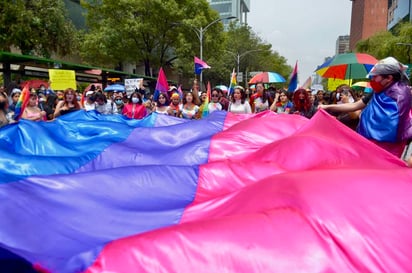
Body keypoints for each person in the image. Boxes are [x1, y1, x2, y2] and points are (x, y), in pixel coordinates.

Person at [319, 56, 412, 158]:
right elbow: (355, 105)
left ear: (389, 78)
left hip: (387, 148)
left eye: (375, 76)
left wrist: (362, 116)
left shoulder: (400, 95)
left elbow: (389, 127)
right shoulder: (378, 91)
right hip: (368, 144)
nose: (372, 80)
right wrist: (327, 107)